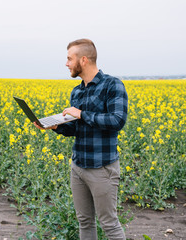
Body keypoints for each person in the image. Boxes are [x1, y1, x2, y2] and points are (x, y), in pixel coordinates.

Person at [34, 39, 128, 240]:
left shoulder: (112, 85)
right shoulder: (77, 91)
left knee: (109, 224)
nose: (66, 63)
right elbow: (76, 128)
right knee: (84, 222)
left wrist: (81, 114)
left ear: (83, 60)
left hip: (102, 167)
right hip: (79, 167)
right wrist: (57, 126)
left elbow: (117, 121)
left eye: (69, 58)